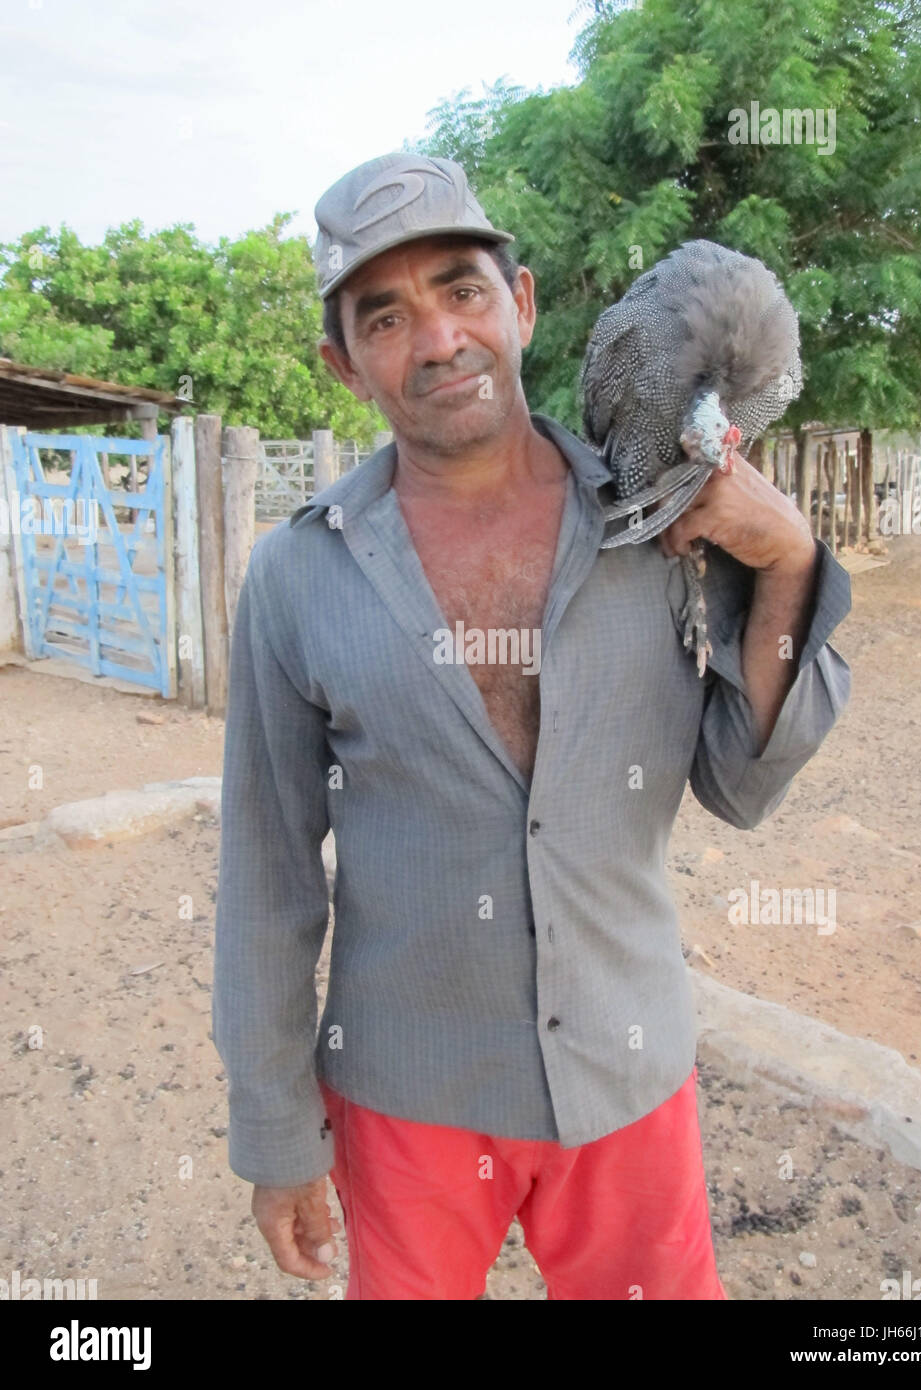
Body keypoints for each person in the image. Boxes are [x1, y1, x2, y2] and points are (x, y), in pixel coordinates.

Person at [212, 151, 852, 1300]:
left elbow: (742, 784)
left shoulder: (659, 524)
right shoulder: (295, 579)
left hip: (629, 1074)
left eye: (463, 290)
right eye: (387, 317)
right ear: (342, 364)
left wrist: (792, 564)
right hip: (406, 1095)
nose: (441, 338)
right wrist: (273, 1134)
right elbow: (266, 877)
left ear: (524, 302)